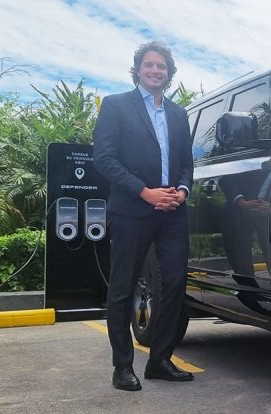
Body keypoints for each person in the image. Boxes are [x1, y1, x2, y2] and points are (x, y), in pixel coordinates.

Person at [93, 41, 194, 391]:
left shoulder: (179, 114)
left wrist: (182, 191)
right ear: (138, 69)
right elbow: (104, 158)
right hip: (132, 209)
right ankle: (122, 366)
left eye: (161, 66)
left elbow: (186, 164)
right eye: (149, 64)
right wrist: (144, 192)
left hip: (172, 211)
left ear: (169, 73)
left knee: (175, 282)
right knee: (123, 287)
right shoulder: (116, 106)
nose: (155, 70)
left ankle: (160, 360)